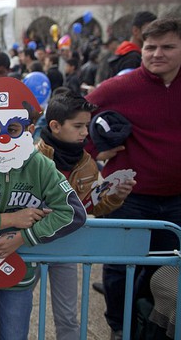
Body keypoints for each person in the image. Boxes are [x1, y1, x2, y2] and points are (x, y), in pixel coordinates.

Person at [0, 77, 87, 340]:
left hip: (20, 272)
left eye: (12, 128)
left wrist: (23, 237)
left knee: (15, 335)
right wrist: (11, 218)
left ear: (29, 128)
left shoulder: (40, 166)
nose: (2, 137)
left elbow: (74, 213)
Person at [85, 17, 181, 340]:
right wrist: (96, 152)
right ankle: (118, 326)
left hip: (177, 202)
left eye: (167, 47)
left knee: (163, 272)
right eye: (150, 47)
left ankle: (147, 325)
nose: (157, 54)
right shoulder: (119, 87)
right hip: (129, 199)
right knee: (118, 270)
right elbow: (70, 122)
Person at [36, 91, 136, 340]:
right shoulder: (31, 158)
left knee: (68, 315)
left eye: (87, 126)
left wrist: (116, 196)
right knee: (19, 306)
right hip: (29, 241)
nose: (85, 132)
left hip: (67, 244)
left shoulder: (87, 163)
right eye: (78, 126)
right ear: (55, 126)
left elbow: (91, 206)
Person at [106, 11, 157, 79]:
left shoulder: (122, 52)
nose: (153, 34)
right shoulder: (133, 58)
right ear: (135, 30)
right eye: (149, 30)